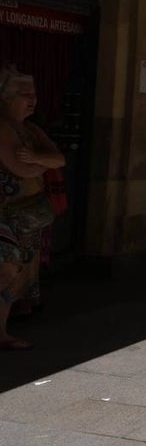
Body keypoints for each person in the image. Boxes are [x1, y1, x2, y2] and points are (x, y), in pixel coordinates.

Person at [0, 68, 65, 350]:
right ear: (5, 98)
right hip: (5, 213)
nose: (32, 100)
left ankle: (2, 330)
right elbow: (20, 168)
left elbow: (59, 159)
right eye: (24, 95)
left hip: (25, 216)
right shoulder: (3, 128)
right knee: (7, 270)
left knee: (18, 273)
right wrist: (42, 163)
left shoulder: (30, 130)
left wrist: (39, 158)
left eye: (34, 94)